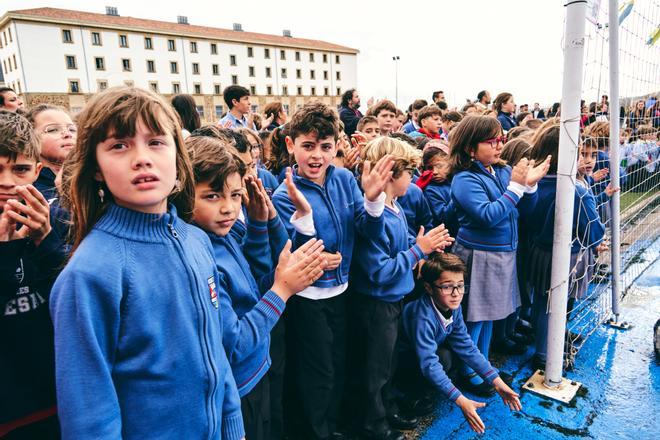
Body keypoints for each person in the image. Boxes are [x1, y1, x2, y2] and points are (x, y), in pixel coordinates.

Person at [49, 86, 246, 439]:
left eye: (156, 142)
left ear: (177, 155)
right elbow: (89, 415)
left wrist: (233, 426)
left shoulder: (197, 241)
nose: (142, 158)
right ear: (95, 167)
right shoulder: (89, 274)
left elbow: (215, 353)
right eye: (119, 145)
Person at [187, 135, 327, 440]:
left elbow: (253, 287)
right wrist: (282, 289)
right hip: (238, 387)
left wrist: (261, 225)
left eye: (235, 195)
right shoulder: (199, 253)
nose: (228, 208)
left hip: (257, 370)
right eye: (212, 196)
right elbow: (234, 343)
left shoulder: (221, 237)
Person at [272, 102, 394, 440]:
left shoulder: (343, 178)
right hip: (308, 300)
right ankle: (317, 432)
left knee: (340, 365)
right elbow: (284, 255)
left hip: (343, 291)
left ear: (336, 145)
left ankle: (333, 427)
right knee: (318, 375)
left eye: (325, 147)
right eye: (308, 146)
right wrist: (312, 253)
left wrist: (372, 202)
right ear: (290, 145)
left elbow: (367, 232)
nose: (317, 156)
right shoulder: (285, 194)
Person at [350, 137, 452, 440]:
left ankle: (389, 408)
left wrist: (422, 244)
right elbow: (379, 271)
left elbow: (403, 244)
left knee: (389, 364)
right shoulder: (376, 214)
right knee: (375, 370)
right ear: (394, 173)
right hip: (376, 304)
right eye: (410, 172)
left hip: (393, 300)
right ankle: (374, 425)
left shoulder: (394, 207)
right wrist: (418, 251)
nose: (413, 179)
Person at [449, 115, 550, 394]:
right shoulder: (464, 179)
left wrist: (528, 187)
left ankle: (483, 366)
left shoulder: (501, 171)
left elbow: (522, 212)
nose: (498, 146)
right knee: (475, 319)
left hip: (502, 254)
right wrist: (517, 188)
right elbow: (487, 217)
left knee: (490, 316)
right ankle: (469, 371)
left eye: (500, 140)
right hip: (479, 255)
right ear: (471, 148)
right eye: (491, 141)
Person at [397, 253, 522, 435]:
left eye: (460, 286)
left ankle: (427, 387)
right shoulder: (422, 316)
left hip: (424, 355)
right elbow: (429, 364)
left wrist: (496, 381)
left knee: (453, 355)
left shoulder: (452, 307)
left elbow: (467, 346)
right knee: (443, 359)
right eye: (447, 287)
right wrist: (460, 399)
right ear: (429, 288)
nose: (456, 293)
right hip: (403, 360)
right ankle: (408, 394)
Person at [0, 111, 66, 439]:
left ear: (37, 170)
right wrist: (5, 253)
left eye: (21, 169)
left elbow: (70, 301)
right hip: (10, 411)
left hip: (57, 396)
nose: (9, 182)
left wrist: (45, 239)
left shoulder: (55, 219)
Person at [527, 122, 605, 369]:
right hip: (568, 257)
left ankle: (543, 346)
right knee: (561, 304)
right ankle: (548, 351)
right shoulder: (576, 190)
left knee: (542, 303)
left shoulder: (531, 183)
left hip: (538, 253)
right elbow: (594, 232)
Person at [26, 105, 76, 201]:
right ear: (31, 138)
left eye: (72, 129)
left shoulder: (96, 176)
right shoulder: (29, 187)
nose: (67, 134)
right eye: (53, 130)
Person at [416, 144, 458, 238]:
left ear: (450, 163)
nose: (434, 172)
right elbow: (443, 217)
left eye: (439, 166)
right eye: (430, 168)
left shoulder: (457, 180)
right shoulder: (431, 190)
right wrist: (457, 196)